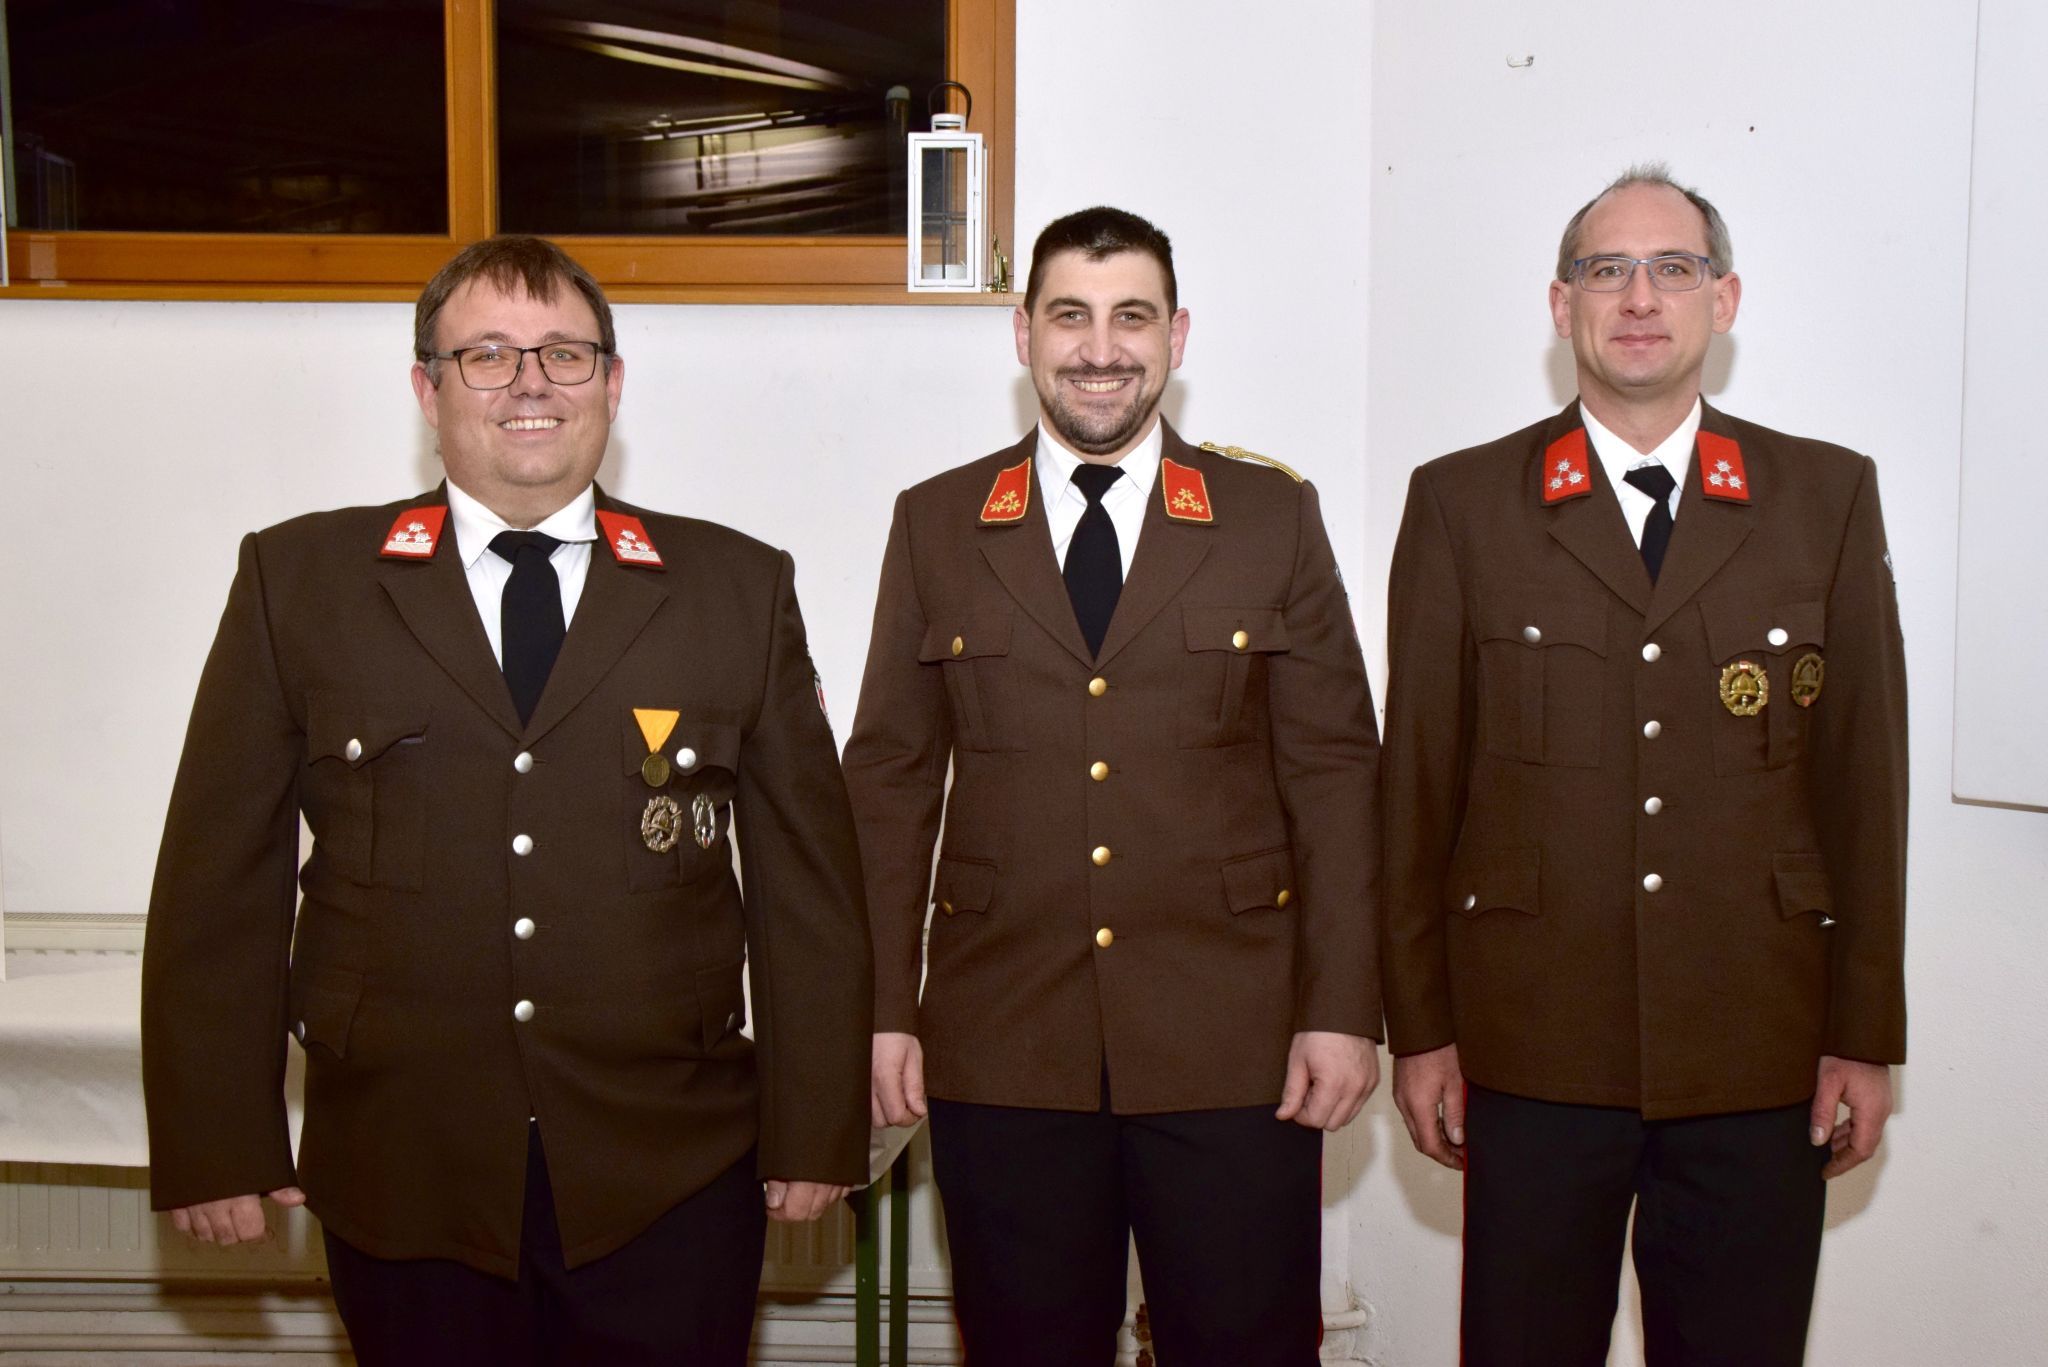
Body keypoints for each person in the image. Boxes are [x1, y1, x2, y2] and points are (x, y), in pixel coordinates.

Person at [140, 235, 872, 1365]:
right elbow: (216, 877)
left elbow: (806, 887)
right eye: (486, 354)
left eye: (563, 354)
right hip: (403, 1163)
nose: (530, 383)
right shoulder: (304, 582)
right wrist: (215, 1139)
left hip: (666, 1169)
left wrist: (817, 1124)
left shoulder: (734, 586)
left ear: (612, 384)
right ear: (427, 390)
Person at [1380, 164, 1907, 1365]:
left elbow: (1861, 788)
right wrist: (1418, 1029)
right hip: (1528, 1044)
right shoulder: (1463, 502)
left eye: (1671, 268)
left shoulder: (1821, 495)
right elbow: (1413, 787)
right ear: (1557, 304)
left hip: (1756, 1040)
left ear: (1722, 300)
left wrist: (1860, 1031)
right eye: (1603, 269)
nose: (1636, 296)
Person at [841, 206, 1382, 1367]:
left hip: (1232, 1035)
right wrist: (884, 1002)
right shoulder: (937, 521)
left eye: (1130, 316)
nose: (1100, 348)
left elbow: (1335, 773)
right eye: (1070, 317)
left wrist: (1341, 1006)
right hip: (1004, 1033)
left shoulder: (1266, 516)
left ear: (1176, 334)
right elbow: (887, 779)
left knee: (1245, 1344)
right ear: (1022, 333)